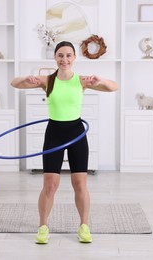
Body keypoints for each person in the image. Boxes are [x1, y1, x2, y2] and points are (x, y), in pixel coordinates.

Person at [11, 41, 118, 244]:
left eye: (69, 55)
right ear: (55, 58)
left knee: (80, 184)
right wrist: (26, 78)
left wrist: (99, 79)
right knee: (50, 185)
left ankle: (84, 227)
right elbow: (14, 83)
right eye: (61, 55)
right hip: (54, 133)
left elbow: (114, 87)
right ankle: (43, 227)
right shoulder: (47, 80)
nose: (65, 59)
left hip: (76, 133)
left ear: (75, 57)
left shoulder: (82, 80)